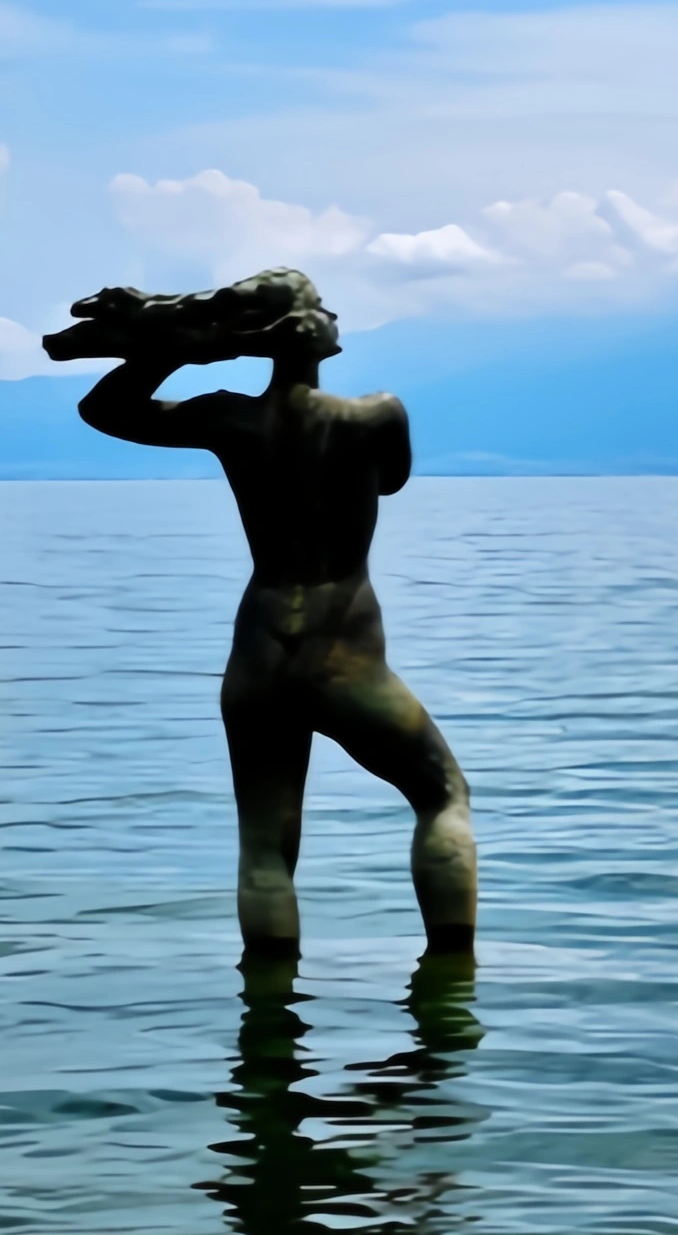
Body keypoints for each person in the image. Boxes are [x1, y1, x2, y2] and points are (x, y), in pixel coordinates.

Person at [51, 270, 476, 962]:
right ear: (316, 326)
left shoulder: (229, 418)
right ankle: (451, 983)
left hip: (258, 653)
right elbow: (393, 479)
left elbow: (106, 411)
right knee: (442, 794)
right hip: (347, 655)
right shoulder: (376, 416)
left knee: (265, 847)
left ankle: (270, 1028)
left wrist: (178, 350)